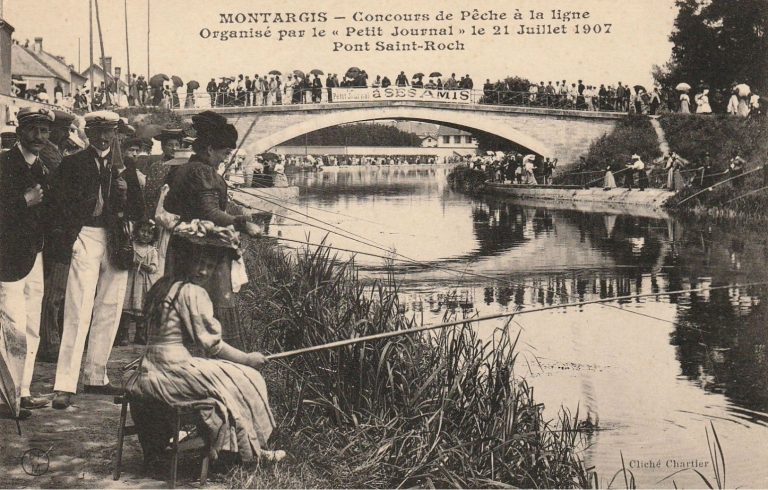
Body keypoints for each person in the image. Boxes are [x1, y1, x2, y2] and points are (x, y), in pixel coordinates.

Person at [123, 228, 284, 467]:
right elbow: (213, 345)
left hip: (150, 367)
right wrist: (248, 359)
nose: (203, 271)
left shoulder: (162, 286)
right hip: (172, 371)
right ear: (186, 261)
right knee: (247, 377)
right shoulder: (192, 292)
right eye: (198, 263)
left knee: (225, 377)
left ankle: (231, 446)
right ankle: (249, 451)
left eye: (209, 266)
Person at [51, 110, 146, 409]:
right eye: (97, 132)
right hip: (86, 236)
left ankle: (96, 375)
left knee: (110, 306)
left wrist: (127, 200)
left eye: (109, 132)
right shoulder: (72, 163)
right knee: (77, 308)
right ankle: (64, 384)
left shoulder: (125, 166)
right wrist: (72, 239)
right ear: (88, 134)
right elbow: (59, 206)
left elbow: (140, 210)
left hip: (116, 239)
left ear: (116, 134)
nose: (104, 138)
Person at [162, 111, 263, 348]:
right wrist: (242, 223)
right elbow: (210, 212)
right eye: (224, 153)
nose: (225, 159)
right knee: (210, 308)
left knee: (184, 305)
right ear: (209, 149)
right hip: (204, 255)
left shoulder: (182, 169)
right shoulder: (203, 172)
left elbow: (171, 204)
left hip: (183, 246)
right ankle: (214, 363)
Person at [0, 108, 56, 415]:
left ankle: (23, 390)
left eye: (44, 130)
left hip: (35, 254)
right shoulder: (4, 163)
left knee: (32, 326)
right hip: (8, 259)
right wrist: (25, 201)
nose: (39, 137)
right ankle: (6, 397)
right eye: (33, 129)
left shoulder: (43, 167)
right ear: (20, 131)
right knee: (12, 329)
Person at [115, 220, 159, 346]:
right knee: (127, 308)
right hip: (131, 280)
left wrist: (148, 267)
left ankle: (140, 334)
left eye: (149, 233)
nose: (145, 235)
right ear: (137, 231)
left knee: (142, 309)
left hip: (143, 283)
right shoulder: (131, 246)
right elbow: (125, 259)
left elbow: (154, 267)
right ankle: (124, 334)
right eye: (143, 231)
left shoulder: (152, 251)